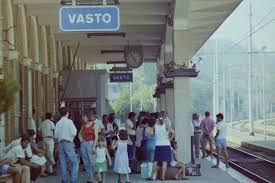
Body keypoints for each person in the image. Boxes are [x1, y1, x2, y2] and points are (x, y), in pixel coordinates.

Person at [54, 107, 79, 183]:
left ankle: (64, 180)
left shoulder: (58, 123)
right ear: (67, 113)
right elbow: (74, 132)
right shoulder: (69, 122)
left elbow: (55, 135)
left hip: (60, 144)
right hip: (68, 143)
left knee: (63, 163)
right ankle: (73, 180)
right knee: (75, 162)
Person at [147, 117, 175, 181]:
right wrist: (170, 139)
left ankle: (151, 176)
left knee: (155, 161)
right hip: (166, 145)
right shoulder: (166, 126)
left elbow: (152, 133)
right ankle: (162, 177)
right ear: (164, 121)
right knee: (164, 161)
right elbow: (173, 132)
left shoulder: (155, 126)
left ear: (157, 121)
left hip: (158, 145)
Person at [78, 112, 98, 183]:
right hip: (84, 144)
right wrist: (81, 140)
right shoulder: (83, 125)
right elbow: (79, 134)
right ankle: (90, 178)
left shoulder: (94, 125)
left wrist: (94, 146)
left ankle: (97, 177)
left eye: (84, 117)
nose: (83, 118)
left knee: (92, 161)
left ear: (88, 117)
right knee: (86, 162)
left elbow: (96, 137)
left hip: (91, 143)